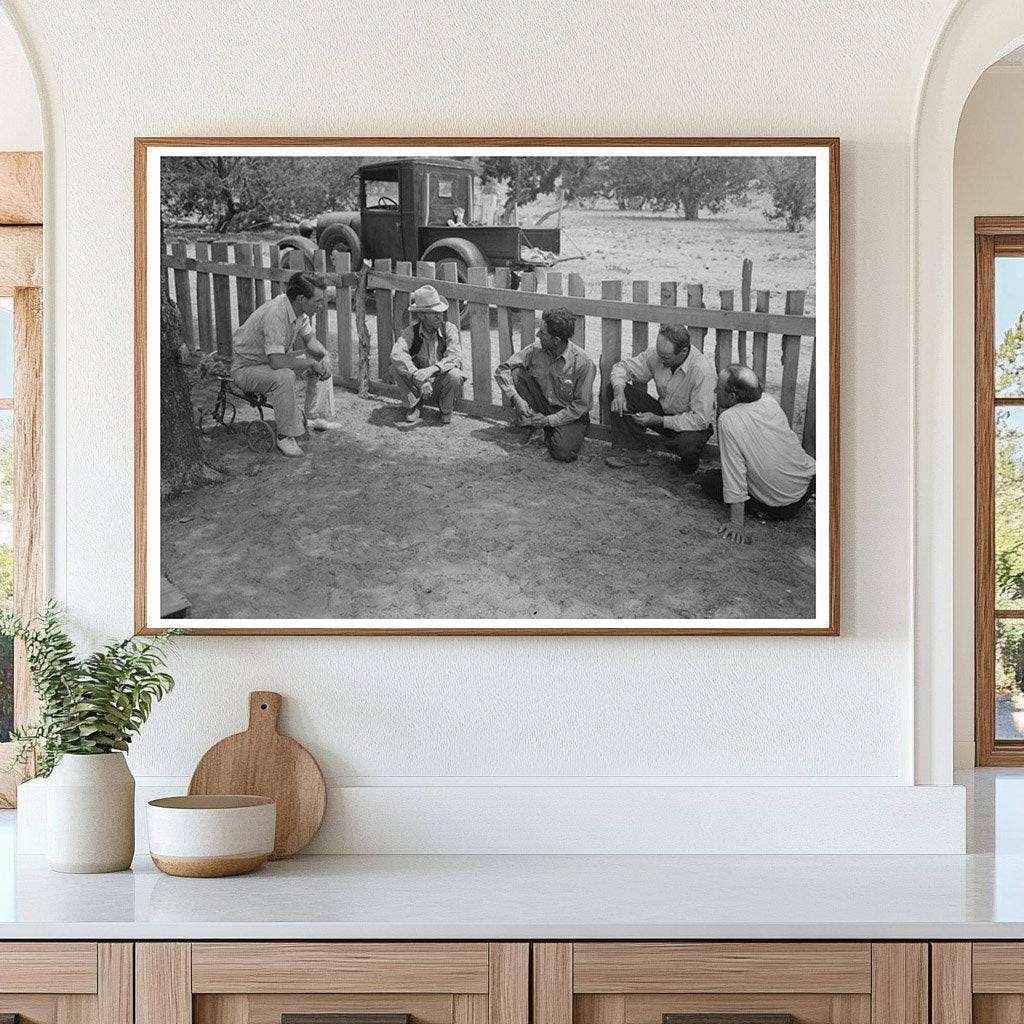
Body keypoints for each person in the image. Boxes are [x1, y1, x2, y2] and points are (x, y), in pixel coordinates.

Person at [699, 364, 817, 545]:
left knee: (709, 480)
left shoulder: (727, 419)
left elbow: (734, 474)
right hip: (809, 483)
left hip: (781, 507)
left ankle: (760, 510)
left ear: (732, 396)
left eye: (719, 388)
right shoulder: (769, 401)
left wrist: (736, 524)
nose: (715, 390)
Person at [231, 271, 337, 458]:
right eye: (318, 301)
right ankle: (285, 436)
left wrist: (325, 355)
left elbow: (310, 340)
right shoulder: (276, 313)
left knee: (319, 358)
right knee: (285, 375)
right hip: (246, 368)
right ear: (301, 298)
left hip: (267, 362)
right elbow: (277, 361)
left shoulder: (298, 311)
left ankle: (312, 417)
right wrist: (310, 363)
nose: (322, 306)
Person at [604, 324, 715, 472]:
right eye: (659, 354)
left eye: (666, 358)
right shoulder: (659, 354)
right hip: (663, 413)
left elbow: (700, 420)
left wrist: (658, 420)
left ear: (683, 351)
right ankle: (633, 452)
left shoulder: (702, 371)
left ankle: (688, 472)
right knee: (615, 387)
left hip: (691, 426)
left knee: (686, 447)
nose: (661, 361)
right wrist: (619, 393)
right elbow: (622, 368)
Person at [494, 307, 597, 463]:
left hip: (569, 413)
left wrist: (549, 421)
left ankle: (544, 429)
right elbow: (503, 370)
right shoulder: (536, 349)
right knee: (516, 372)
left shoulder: (583, 363)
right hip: (542, 403)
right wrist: (516, 398)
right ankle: (538, 427)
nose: (537, 335)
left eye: (542, 333)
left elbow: (581, 406)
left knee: (563, 453)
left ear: (556, 340)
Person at [390, 285, 465, 427]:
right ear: (422, 315)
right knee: (396, 368)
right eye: (434, 313)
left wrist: (431, 370)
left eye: (440, 312)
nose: (439, 315)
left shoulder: (448, 328)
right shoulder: (411, 332)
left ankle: (445, 409)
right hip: (418, 383)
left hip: (439, 381)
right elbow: (397, 354)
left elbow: (454, 356)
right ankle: (414, 405)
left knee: (455, 374)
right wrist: (417, 376)